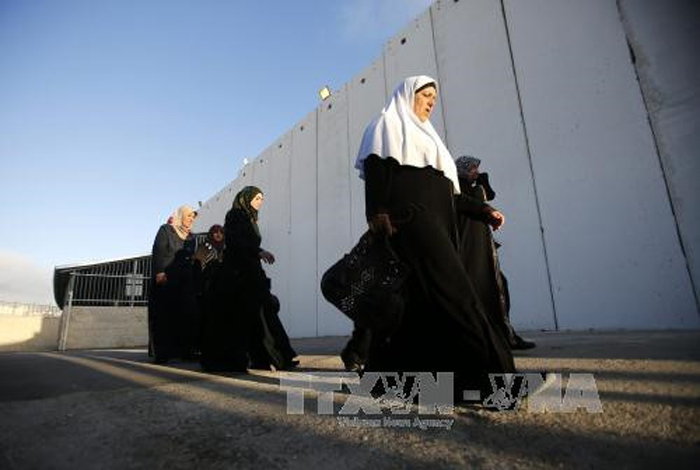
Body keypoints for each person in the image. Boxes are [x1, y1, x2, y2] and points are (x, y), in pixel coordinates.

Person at [354, 75, 515, 398]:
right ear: (408, 94)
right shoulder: (386, 125)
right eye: (425, 95)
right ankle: (497, 381)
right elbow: (375, 170)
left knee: (415, 310)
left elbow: (452, 196)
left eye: (434, 98)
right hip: (409, 223)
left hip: (437, 227)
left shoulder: (431, 140)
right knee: (458, 296)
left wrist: (484, 211)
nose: (430, 102)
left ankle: (389, 381)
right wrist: (377, 213)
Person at [200, 186, 297, 372]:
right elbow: (235, 242)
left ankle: (273, 357)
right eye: (257, 198)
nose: (260, 202)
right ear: (246, 198)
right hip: (239, 274)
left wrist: (259, 252)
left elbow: (249, 244)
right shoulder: (235, 215)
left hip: (251, 271)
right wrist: (258, 252)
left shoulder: (251, 219)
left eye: (262, 199)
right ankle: (266, 358)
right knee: (249, 317)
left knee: (261, 314)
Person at [454, 156, 536, 350]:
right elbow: (475, 202)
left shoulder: (472, 187)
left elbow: (489, 195)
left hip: (477, 247)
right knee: (494, 288)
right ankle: (504, 337)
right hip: (472, 249)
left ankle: (502, 335)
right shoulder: (459, 188)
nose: (476, 172)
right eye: (473, 169)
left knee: (497, 287)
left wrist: (483, 181)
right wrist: (485, 203)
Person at [149, 205, 200, 364]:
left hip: (185, 282)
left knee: (186, 316)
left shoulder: (192, 237)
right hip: (166, 279)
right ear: (181, 216)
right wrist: (159, 272)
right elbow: (158, 251)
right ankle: (163, 353)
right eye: (188, 216)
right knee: (164, 317)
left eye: (193, 217)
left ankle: (186, 351)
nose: (191, 219)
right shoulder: (166, 230)